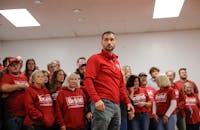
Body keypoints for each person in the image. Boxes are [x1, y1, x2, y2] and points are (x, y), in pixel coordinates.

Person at [83, 31, 135, 130]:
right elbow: (87, 80)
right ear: (102, 42)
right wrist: (96, 100)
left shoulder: (116, 62)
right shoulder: (95, 59)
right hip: (102, 102)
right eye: (106, 40)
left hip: (116, 105)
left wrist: (128, 102)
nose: (109, 42)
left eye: (112, 39)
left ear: (115, 42)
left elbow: (121, 85)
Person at [0, 57, 29, 130]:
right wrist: (18, 86)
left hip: (25, 114)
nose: (15, 67)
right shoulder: (7, 77)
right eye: (12, 65)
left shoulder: (24, 77)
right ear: (9, 67)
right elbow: (4, 88)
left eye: (17, 64)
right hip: (13, 115)